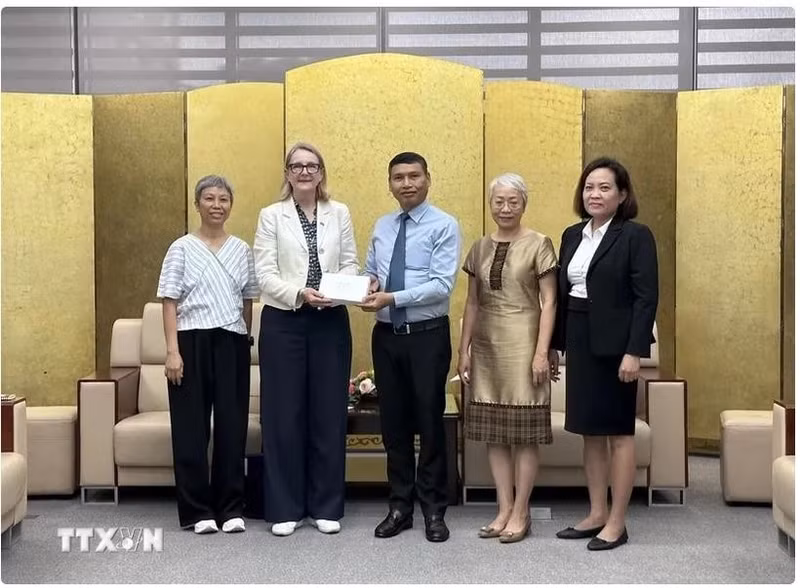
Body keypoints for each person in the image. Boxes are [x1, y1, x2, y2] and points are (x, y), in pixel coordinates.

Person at [550, 156, 658, 551]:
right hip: (579, 339)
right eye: (589, 187)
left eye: (605, 187)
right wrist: (554, 346)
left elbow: (647, 299)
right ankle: (596, 512)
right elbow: (562, 296)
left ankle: (617, 521)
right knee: (589, 434)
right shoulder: (572, 234)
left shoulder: (635, 236)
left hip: (616, 347)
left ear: (622, 194)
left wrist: (634, 351)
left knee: (618, 433)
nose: (594, 194)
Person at [253, 142, 358, 537]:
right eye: (296, 166)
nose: (304, 172)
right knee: (283, 415)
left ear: (321, 172)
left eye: (311, 165)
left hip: (330, 320)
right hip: (285, 321)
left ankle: (325, 506)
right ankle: (285, 507)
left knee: (328, 413)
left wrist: (345, 287)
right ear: (287, 173)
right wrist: (300, 293)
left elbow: (349, 262)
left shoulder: (339, 212)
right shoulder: (271, 216)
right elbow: (264, 273)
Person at [360, 151, 461, 543]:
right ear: (390, 184)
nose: (406, 183)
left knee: (430, 424)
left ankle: (434, 509)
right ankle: (399, 506)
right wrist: (370, 284)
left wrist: (391, 298)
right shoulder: (383, 225)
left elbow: (441, 285)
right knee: (394, 427)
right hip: (386, 338)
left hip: (427, 336)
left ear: (427, 179)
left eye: (414, 176)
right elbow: (373, 270)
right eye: (398, 177)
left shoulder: (444, 225)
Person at [457, 173, 558, 544]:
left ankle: (522, 510)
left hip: (525, 343)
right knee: (495, 434)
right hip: (486, 346)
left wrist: (542, 353)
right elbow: (472, 302)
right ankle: (503, 507)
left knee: (523, 434)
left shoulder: (539, 243)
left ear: (524, 203)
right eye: (498, 201)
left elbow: (550, 302)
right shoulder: (479, 247)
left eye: (513, 201)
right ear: (490, 204)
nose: (505, 208)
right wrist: (462, 349)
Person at [157, 174, 260, 535]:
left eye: (224, 199)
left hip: (231, 342)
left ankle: (231, 508)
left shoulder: (242, 249)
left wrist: (245, 338)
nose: (217, 205)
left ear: (231, 205)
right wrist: (172, 352)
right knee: (190, 429)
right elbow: (168, 302)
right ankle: (198, 511)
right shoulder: (181, 248)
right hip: (189, 341)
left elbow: (248, 298)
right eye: (210, 199)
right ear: (197, 204)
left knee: (232, 428)